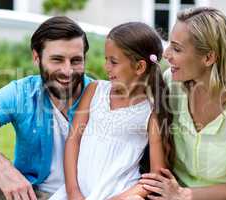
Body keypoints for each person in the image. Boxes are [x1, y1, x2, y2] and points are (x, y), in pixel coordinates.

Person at [138, 7, 226, 200]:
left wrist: (184, 195)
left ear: (208, 57)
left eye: (177, 48)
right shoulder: (172, 82)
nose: (166, 54)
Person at [0, 16, 92, 200]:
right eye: (57, 60)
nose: (68, 71)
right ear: (37, 57)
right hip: (27, 192)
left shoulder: (101, 96)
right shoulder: (21, 93)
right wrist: (2, 166)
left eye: (75, 60)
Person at [49, 22, 174, 200]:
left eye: (113, 62)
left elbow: (156, 175)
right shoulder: (95, 90)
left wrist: (121, 198)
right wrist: (73, 191)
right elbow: (73, 140)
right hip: (77, 192)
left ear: (139, 67)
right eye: (106, 59)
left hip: (118, 193)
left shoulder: (150, 112)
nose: (106, 67)